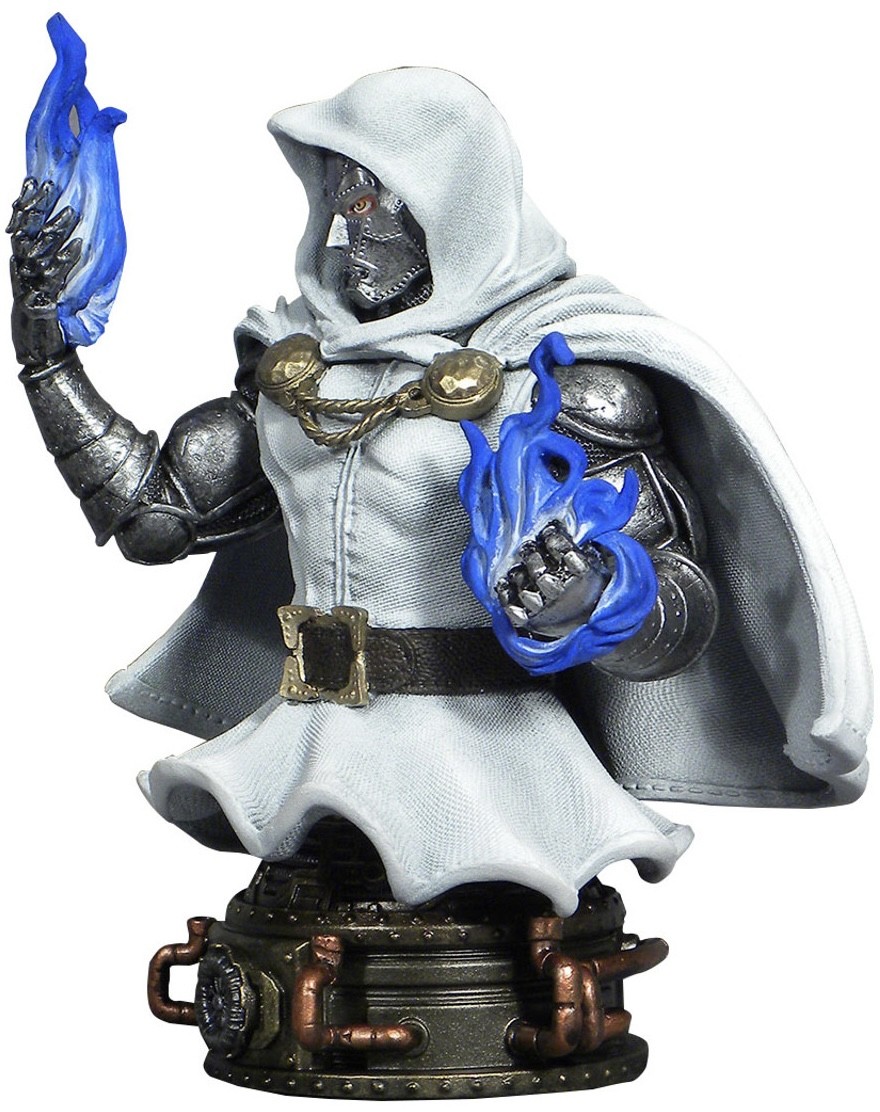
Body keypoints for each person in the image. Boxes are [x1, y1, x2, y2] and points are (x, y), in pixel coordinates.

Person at [11, 61, 870, 1092]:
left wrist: (595, 596)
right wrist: (45, 355)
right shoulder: (298, 370)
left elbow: (678, 602)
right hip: (313, 741)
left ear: (453, 200)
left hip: (483, 758)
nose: (353, 225)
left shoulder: (558, 375)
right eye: (341, 193)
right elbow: (153, 515)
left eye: (381, 196)